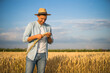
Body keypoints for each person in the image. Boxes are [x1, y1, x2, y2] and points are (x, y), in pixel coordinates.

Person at [23, 8, 53, 73]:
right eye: (41, 18)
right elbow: (24, 39)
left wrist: (49, 37)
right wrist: (36, 36)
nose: (43, 21)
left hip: (43, 55)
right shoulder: (31, 25)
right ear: (38, 16)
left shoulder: (48, 27)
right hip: (32, 54)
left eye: (45, 19)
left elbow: (50, 42)